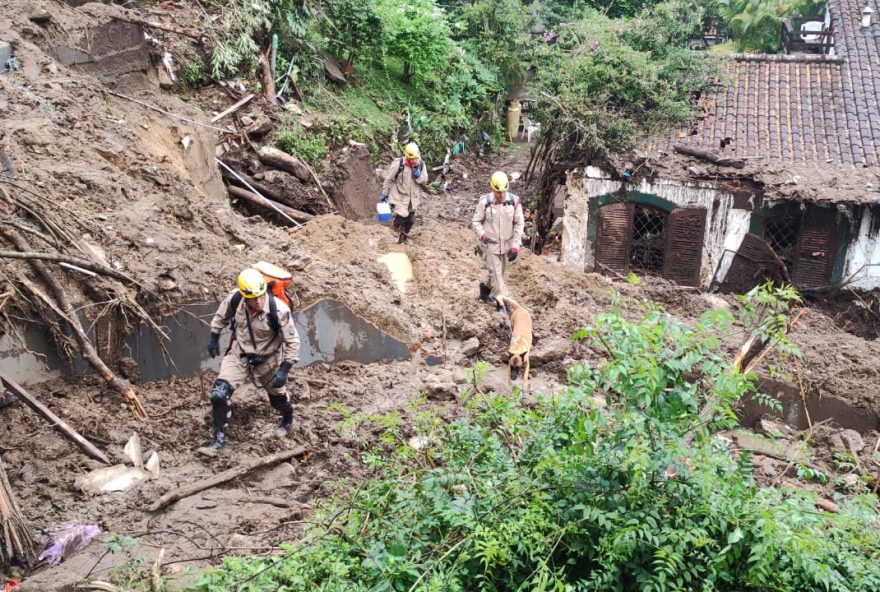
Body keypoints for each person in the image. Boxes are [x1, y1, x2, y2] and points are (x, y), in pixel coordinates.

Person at [199, 268, 301, 456]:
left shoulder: (279, 310)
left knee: (277, 399)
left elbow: (293, 341)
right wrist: (214, 336)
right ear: (244, 296)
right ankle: (218, 440)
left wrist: (284, 369)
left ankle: (287, 418)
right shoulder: (235, 299)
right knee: (219, 394)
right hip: (240, 355)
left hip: (268, 359)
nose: (258, 301)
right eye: (253, 299)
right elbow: (221, 317)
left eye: (261, 296)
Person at [472, 171, 525, 306]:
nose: (501, 195)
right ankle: (503, 306)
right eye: (498, 192)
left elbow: (519, 223)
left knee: (498, 273)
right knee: (497, 278)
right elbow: (476, 222)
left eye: (503, 192)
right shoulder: (485, 202)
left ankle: (485, 290)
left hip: (506, 245)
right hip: (489, 245)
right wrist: (482, 234)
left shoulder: (514, 202)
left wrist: (515, 246)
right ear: (492, 188)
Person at [379, 142, 428, 244]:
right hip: (399, 196)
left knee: (410, 220)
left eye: (416, 158)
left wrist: (419, 177)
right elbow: (389, 179)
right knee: (402, 216)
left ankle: (404, 237)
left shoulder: (421, 165)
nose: (414, 161)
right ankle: (395, 232)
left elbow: (425, 181)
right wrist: (384, 193)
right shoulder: (399, 164)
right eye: (412, 159)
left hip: (412, 198)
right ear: (407, 157)